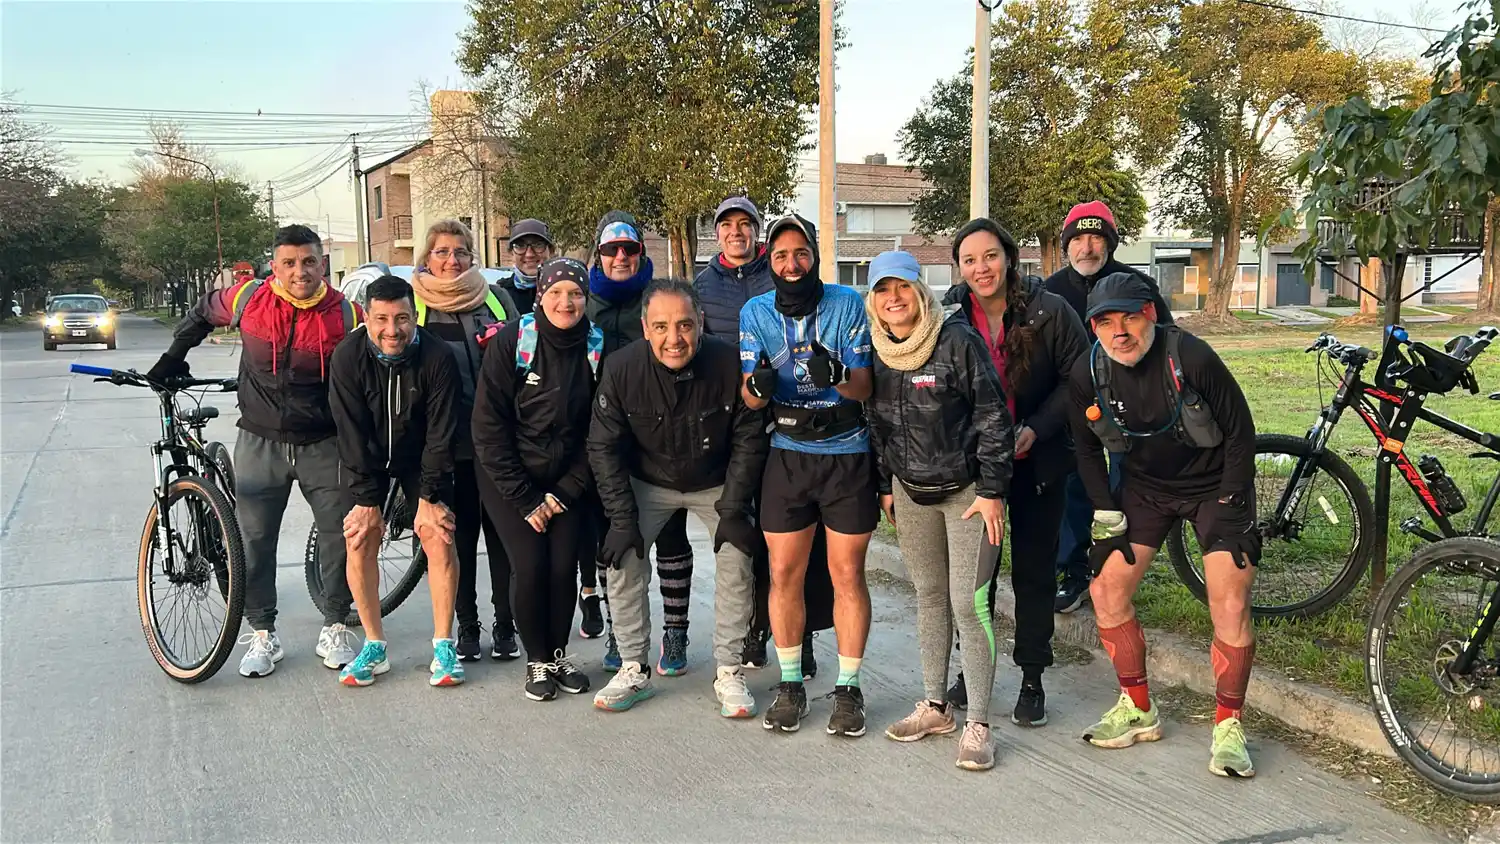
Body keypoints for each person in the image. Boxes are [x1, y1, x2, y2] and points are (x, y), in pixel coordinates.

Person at [147, 224, 364, 678]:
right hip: (259, 440)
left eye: (308, 262)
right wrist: (174, 355)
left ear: (322, 264)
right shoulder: (249, 299)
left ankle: (335, 623)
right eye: (289, 263)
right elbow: (204, 311)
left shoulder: (347, 313)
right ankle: (263, 632)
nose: (300, 271)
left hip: (324, 442)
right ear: (275, 266)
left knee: (339, 537)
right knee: (254, 542)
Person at [1069, 272, 1260, 778]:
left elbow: (1241, 431)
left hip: (1213, 486)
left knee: (1230, 598)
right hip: (1144, 490)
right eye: (1106, 323)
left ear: (1150, 314)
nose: (1120, 332)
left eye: (1129, 317)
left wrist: (1235, 499)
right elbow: (1086, 450)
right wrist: (1103, 510)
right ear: (1094, 328)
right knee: (1107, 589)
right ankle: (1138, 708)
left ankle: (1228, 725)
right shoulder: (1086, 373)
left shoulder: (1191, 356)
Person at [587, 278, 769, 715]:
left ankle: (730, 669)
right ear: (646, 329)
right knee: (621, 555)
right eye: (662, 327)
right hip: (648, 480)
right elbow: (603, 446)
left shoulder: (730, 365)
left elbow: (749, 439)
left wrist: (735, 509)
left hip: (715, 480)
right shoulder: (620, 368)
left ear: (701, 323)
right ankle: (632, 665)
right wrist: (621, 518)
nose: (675, 338)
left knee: (736, 557)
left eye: (685, 325)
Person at [864, 251, 1013, 771]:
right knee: (928, 597)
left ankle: (978, 723)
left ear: (921, 293)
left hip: (969, 495)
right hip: (910, 493)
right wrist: (886, 485)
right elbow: (877, 425)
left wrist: (993, 490)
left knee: (968, 605)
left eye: (902, 287)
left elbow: (995, 419)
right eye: (883, 291)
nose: (894, 299)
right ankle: (935, 706)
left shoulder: (957, 342)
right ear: (874, 302)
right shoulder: (877, 352)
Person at [941, 218, 1087, 726]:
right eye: (969, 260)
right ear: (958, 267)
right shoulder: (950, 313)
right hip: (977, 471)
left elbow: (1079, 377)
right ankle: (971, 670)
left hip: (1037, 462)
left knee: (1032, 572)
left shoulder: (1050, 310)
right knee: (975, 579)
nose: (981, 268)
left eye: (990, 256)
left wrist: (1038, 428)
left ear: (1009, 256)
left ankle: (1032, 677)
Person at [739, 212, 875, 737]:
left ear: (814, 256)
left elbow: (865, 387)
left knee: (847, 575)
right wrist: (760, 386)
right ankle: (791, 683)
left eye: (800, 254)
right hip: (788, 453)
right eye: (780, 256)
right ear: (768, 261)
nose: (791, 264)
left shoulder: (846, 304)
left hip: (846, 452)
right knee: (783, 575)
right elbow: (747, 396)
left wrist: (838, 375)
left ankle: (848, 689)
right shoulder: (756, 311)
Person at [693, 195, 833, 675]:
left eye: (745, 224)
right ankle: (756, 626)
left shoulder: (778, 273)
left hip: (796, 417)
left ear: (757, 232)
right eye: (727, 225)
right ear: (718, 233)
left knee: (801, 537)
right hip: (738, 418)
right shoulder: (702, 285)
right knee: (752, 530)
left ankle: (806, 635)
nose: (736, 232)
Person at [472, 257, 599, 702]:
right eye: (556, 293)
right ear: (541, 295)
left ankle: (559, 654)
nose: (566, 302)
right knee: (531, 566)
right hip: (509, 477)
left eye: (576, 294)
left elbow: (599, 431)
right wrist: (526, 499)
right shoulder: (514, 342)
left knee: (564, 567)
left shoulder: (596, 347)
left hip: (567, 480)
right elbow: (488, 429)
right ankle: (537, 659)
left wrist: (567, 489)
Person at [328, 275, 465, 687]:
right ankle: (374, 644)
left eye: (403, 318)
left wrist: (429, 497)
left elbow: (442, 433)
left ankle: (444, 644)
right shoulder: (347, 356)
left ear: (415, 315)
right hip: (366, 457)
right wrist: (367, 501)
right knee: (360, 537)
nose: (393, 330)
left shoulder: (438, 356)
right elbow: (349, 433)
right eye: (383, 319)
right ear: (366, 318)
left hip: (420, 457)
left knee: (438, 534)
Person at [1044, 201, 1175, 614]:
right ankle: (1075, 572)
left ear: (1110, 243)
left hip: (1130, 410)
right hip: (1072, 412)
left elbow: (1169, 343)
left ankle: (1116, 570)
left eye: (1096, 238)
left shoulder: (1138, 285)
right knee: (1074, 489)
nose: (1087, 248)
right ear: (1067, 246)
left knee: (1125, 490)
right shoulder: (1050, 291)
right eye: (1078, 239)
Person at [586, 211, 696, 677]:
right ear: (599, 255)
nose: (621, 257)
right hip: (603, 436)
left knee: (670, 538)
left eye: (629, 248)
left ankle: (675, 632)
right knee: (612, 536)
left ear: (641, 253)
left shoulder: (660, 299)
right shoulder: (581, 299)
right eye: (611, 249)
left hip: (660, 434)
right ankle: (621, 628)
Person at [409, 219, 522, 663]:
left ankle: (505, 624)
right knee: (457, 539)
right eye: (442, 252)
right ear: (427, 257)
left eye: (460, 251)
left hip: (495, 441)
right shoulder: (415, 305)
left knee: (500, 537)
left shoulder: (497, 299)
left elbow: (522, 357)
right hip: (445, 443)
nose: (452, 260)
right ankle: (468, 626)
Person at [497, 218, 555, 314]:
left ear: (551, 251)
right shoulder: (499, 295)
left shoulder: (570, 291)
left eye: (538, 245)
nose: (529, 254)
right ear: (511, 253)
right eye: (520, 246)